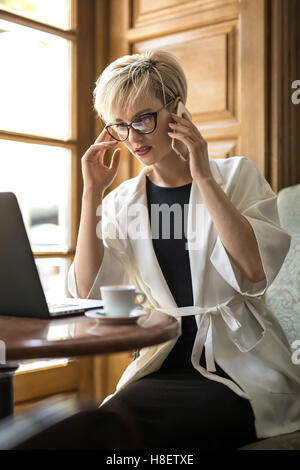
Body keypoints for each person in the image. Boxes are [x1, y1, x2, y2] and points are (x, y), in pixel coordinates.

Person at [68, 50, 300, 450]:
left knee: (157, 436)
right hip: (159, 366)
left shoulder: (236, 176)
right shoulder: (123, 202)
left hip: (237, 369)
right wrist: (91, 193)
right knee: (102, 430)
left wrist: (203, 175)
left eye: (143, 119)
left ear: (176, 108)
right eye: (120, 126)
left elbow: (255, 270)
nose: (134, 138)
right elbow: (88, 292)